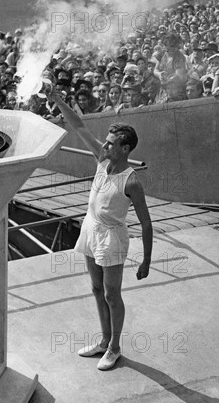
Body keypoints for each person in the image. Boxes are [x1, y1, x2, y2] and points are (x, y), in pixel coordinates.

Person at [47, 86, 152, 370]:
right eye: (105, 142)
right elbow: (78, 125)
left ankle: (115, 348)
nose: (104, 146)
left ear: (125, 149)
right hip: (91, 229)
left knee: (111, 294)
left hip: (112, 237)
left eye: (110, 143)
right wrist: (58, 100)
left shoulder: (132, 182)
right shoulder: (102, 159)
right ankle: (104, 341)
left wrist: (146, 260)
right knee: (96, 288)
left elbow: (145, 223)